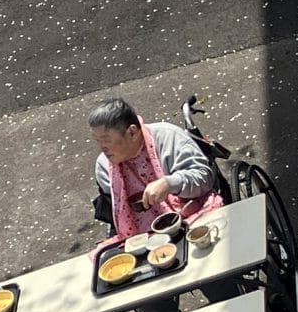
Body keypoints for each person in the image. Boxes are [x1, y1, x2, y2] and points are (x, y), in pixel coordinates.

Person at [88, 96, 221, 239]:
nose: (102, 148)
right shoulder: (104, 166)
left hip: (194, 214)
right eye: (97, 141)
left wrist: (170, 184)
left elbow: (205, 178)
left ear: (132, 132)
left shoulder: (169, 137)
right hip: (143, 235)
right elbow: (117, 214)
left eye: (106, 140)